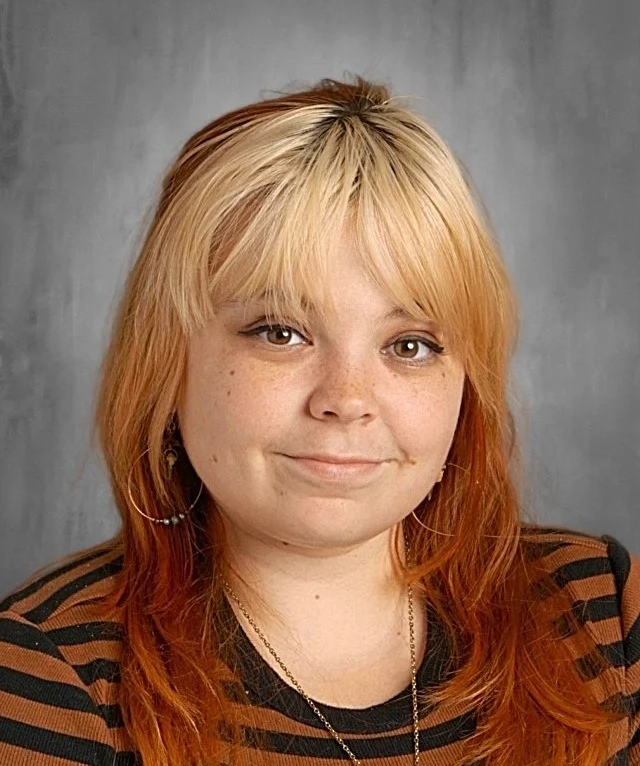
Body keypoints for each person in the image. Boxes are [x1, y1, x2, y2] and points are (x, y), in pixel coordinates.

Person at [0, 76, 637, 766]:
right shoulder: (50, 678)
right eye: (280, 332)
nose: (347, 397)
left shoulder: (597, 612)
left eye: (410, 345)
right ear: (167, 360)